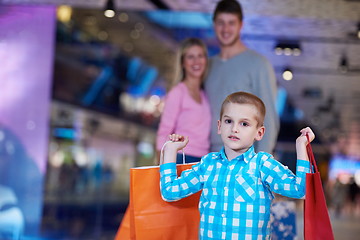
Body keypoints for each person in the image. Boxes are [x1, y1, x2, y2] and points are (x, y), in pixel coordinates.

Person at [159, 91, 314, 239]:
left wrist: (301, 146)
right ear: (219, 126)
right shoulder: (208, 164)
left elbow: (301, 190)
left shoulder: (262, 165)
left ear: (259, 133)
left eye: (244, 124)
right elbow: (170, 192)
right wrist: (171, 150)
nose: (234, 129)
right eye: (228, 121)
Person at [205, 0, 279, 154]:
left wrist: (261, 164)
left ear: (241, 25)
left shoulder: (258, 64)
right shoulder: (208, 65)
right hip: (209, 157)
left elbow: (269, 119)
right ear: (214, 25)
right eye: (221, 23)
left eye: (231, 23)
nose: (226, 29)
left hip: (244, 158)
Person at [156, 38, 211, 164]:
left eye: (200, 56)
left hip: (203, 159)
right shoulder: (177, 93)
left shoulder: (204, 94)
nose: (196, 61)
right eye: (190, 57)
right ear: (182, 63)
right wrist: (160, 168)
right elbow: (163, 132)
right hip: (182, 157)